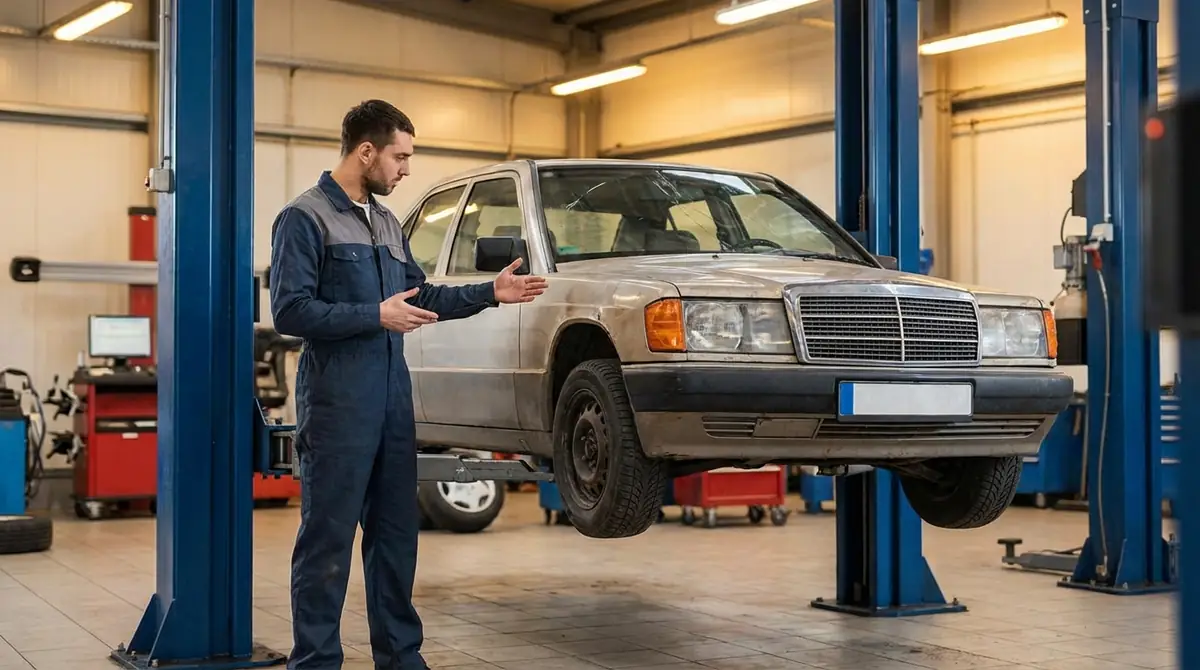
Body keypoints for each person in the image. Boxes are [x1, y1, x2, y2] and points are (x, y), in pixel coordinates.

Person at [268, 99, 548, 670]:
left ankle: (400, 658)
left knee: (396, 540)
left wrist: (488, 293)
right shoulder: (305, 217)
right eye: (400, 156)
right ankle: (316, 661)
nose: (406, 169)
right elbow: (290, 312)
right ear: (365, 151)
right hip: (338, 407)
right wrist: (374, 316)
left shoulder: (388, 222)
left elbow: (420, 299)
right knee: (326, 544)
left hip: (393, 406)